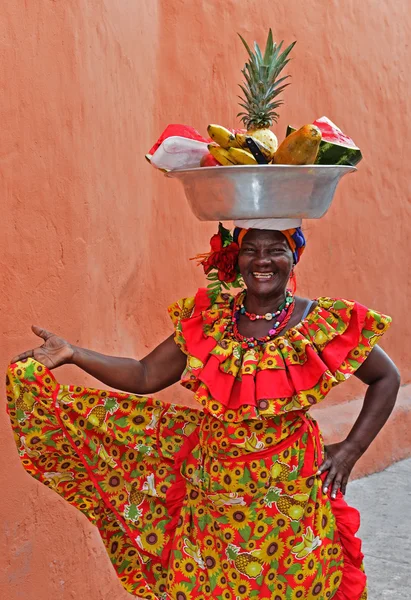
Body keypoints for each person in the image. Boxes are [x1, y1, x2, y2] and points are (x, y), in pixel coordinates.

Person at [7, 223, 400, 600]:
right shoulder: (210, 320)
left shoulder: (320, 323)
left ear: (294, 257)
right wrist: (74, 353)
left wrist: (350, 449)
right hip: (213, 496)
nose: (262, 261)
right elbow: (145, 375)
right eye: (251, 250)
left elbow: (386, 378)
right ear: (237, 259)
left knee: (296, 584)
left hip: (292, 495)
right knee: (212, 585)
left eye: (275, 250)